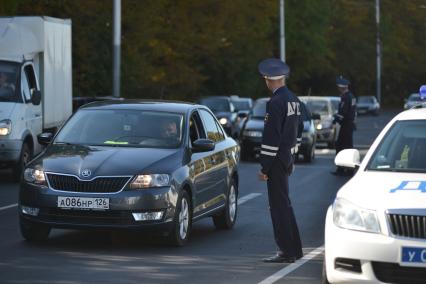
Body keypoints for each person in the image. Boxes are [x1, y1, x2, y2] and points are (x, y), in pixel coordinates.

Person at [257, 58, 303, 263]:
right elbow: (298, 131)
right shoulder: (293, 99)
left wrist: (264, 166)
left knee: (278, 207)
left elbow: (271, 137)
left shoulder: (275, 103)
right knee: (285, 204)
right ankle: (296, 249)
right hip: (286, 158)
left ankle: (286, 251)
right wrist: (292, 157)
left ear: (269, 80)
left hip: (275, 161)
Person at [331, 76, 357, 175]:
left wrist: (335, 120)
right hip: (349, 124)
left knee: (341, 146)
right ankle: (346, 168)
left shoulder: (346, 97)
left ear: (341, 87)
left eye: (338, 87)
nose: (338, 89)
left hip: (345, 125)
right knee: (347, 146)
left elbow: (343, 112)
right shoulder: (352, 96)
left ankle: (344, 169)